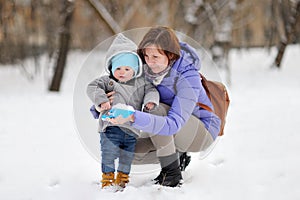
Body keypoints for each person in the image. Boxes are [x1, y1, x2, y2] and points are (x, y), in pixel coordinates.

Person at [108, 27, 221, 187]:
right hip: (167, 129)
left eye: (155, 56)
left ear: (170, 55)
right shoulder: (145, 70)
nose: (149, 61)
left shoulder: (188, 77)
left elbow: (173, 123)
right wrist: (106, 103)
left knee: (156, 109)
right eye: (146, 55)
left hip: (200, 131)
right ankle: (177, 157)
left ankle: (171, 174)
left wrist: (132, 116)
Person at [86, 34, 160, 189]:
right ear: (111, 68)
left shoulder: (142, 83)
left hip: (131, 129)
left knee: (127, 156)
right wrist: (102, 100)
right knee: (108, 154)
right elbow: (92, 87)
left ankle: (122, 179)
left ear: (135, 70)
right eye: (118, 68)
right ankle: (107, 179)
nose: (122, 72)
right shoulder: (108, 81)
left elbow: (152, 90)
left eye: (127, 69)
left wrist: (150, 102)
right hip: (110, 127)